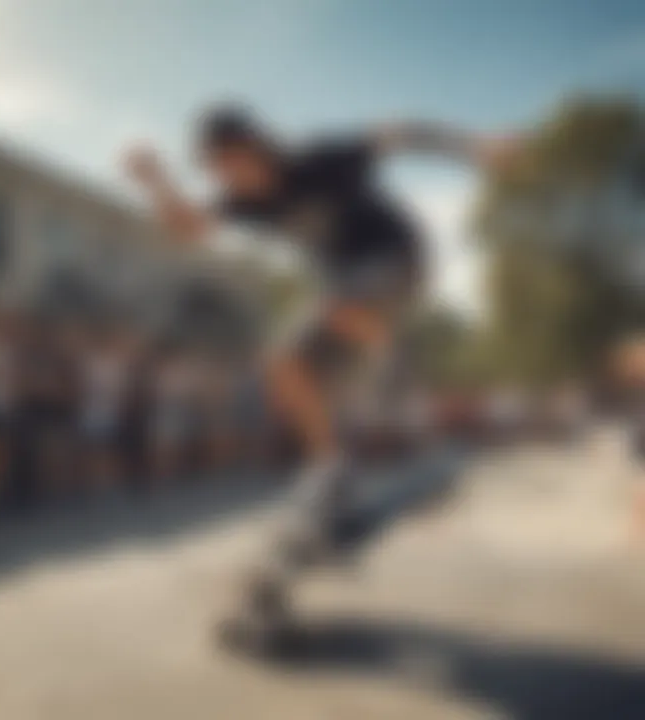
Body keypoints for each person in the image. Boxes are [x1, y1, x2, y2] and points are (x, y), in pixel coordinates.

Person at [121, 105, 519, 622]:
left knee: (344, 308)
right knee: (282, 363)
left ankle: (388, 359)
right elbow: (190, 229)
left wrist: (472, 146)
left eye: (228, 164)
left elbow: (396, 132)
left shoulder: (320, 160)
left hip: (398, 259)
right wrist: (155, 181)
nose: (225, 179)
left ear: (253, 147)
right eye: (214, 171)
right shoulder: (243, 203)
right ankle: (331, 467)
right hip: (343, 289)